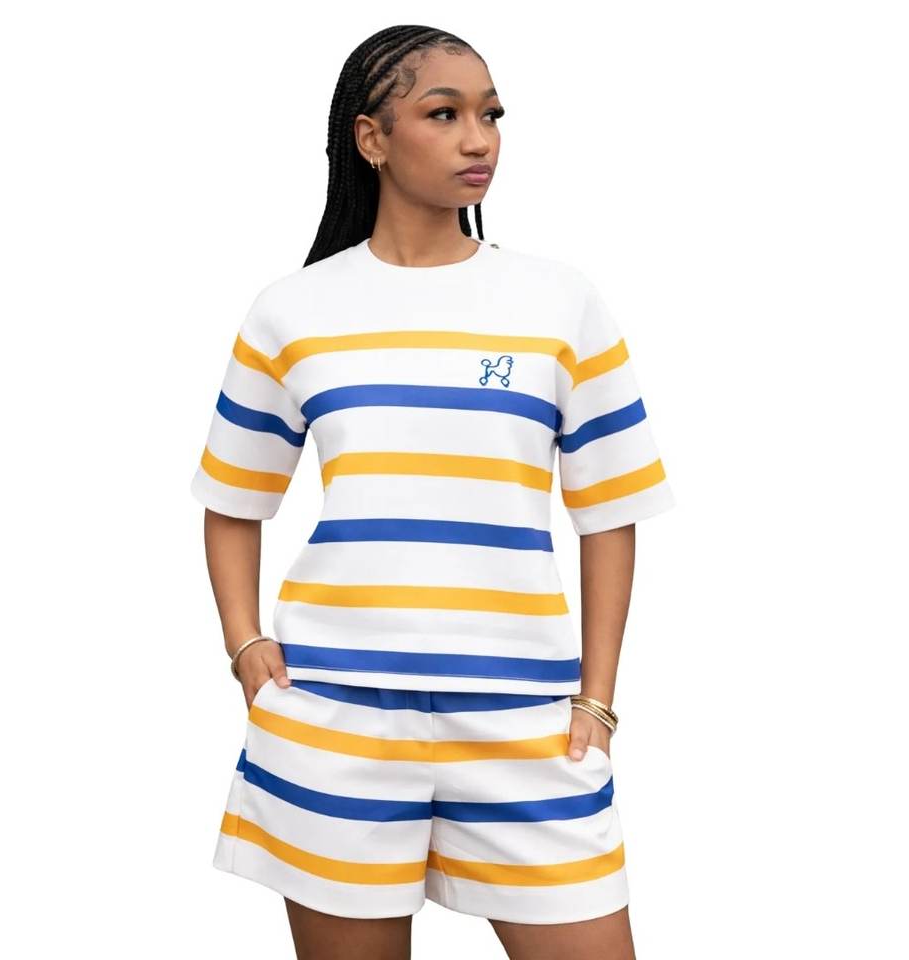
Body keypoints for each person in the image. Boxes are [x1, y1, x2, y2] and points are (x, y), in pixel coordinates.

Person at [190, 24, 674, 960]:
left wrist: (597, 701)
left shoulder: (559, 302)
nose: (478, 138)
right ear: (372, 138)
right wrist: (246, 648)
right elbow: (233, 498)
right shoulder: (292, 309)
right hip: (335, 721)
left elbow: (610, 511)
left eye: (491, 114)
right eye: (444, 114)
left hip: (526, 726)